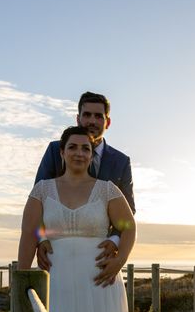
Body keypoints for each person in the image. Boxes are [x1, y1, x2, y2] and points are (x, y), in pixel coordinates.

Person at [0, 126, 136, 312]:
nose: (79, 153)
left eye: (85, 148)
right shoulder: (43, 190)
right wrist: (22, 283)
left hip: (100, 283)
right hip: (56, 282)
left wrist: (119, 261)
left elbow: (128, 227)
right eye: (72, 147)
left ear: (91, 154)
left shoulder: (107, 189)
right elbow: (28, 235)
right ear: (61, 152)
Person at [34, 92, 135, 284]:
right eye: (87, 115)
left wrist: (115, 242)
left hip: (100, 261)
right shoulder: (55, 151)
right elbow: (37, 201)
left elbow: (130, 210)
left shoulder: (121, 161)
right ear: (78, 118)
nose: (92, 121)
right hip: (58, 260)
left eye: (98, 116)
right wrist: (41, 239)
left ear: (108, 122)